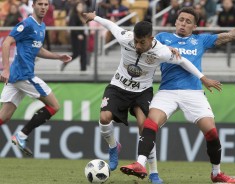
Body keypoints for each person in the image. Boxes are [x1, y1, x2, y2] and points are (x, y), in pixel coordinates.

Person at [120, 7, 235, 183]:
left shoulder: (201, 40)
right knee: (150, 123)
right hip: (167, 91)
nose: (183, 24)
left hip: (193, 92)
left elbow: (232, 35)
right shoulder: (161, 38)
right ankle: (140, 163)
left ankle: (216, 173)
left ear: (195, 26)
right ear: (176, 22)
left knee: (212, 133)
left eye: (188, 21)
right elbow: (139, 43)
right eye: (181, 20)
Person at [82, 11, 221, 184]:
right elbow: (111, 25)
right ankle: (113, 147)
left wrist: (203, 78)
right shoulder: (125, 37)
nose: (138, 45)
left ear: (151, 38)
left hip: (142, 91)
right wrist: (94, 17)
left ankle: (153, 173)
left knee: (145, 126)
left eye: (142, 42)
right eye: (136, 41)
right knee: (104, 118)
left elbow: (183, 61)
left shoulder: (161, 51)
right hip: (118, 86)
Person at [0, 0, 72, 156]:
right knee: (54, 106)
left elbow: (38, 49)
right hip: (23, 75)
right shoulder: (27, 24)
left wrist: (58, 56)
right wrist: (5, 69)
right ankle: (21, 135)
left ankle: (21, 136)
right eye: (40, 4)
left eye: (46, 4)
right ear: (33, 6)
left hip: (16, 76)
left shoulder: (42, 26)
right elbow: (6, 43)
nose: (43, 7)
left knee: (3, 117)